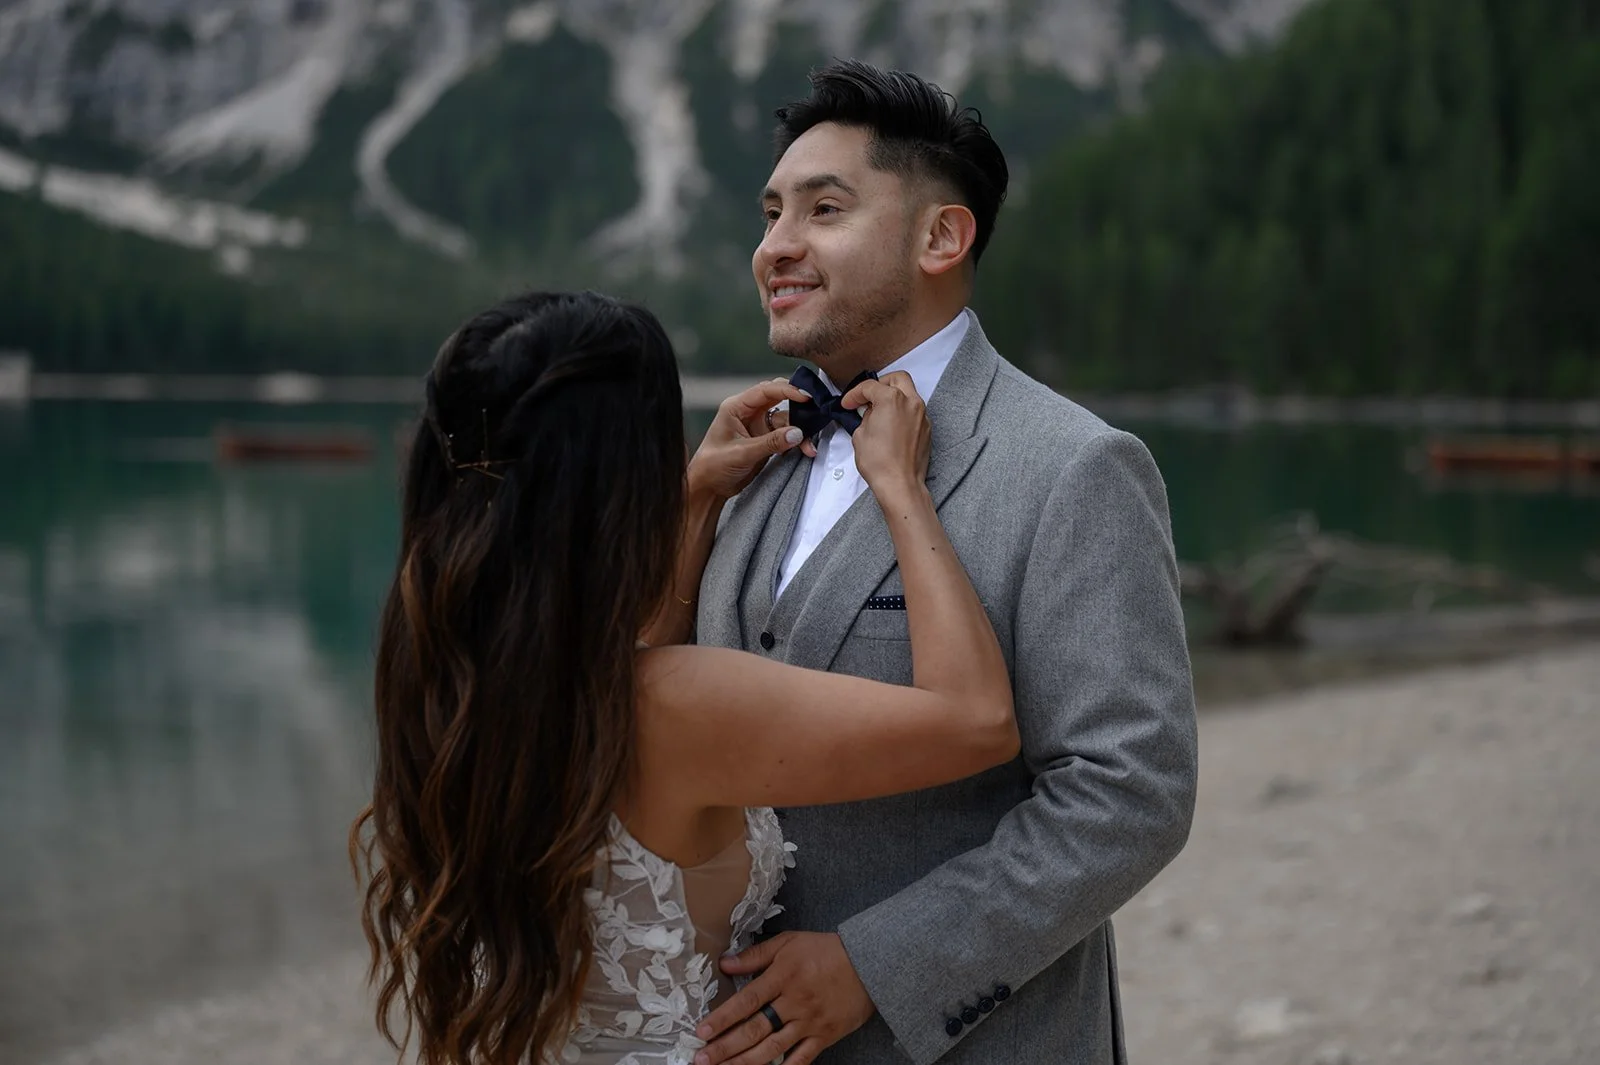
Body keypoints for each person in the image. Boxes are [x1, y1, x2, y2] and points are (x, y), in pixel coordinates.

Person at [349, 289, 1020, 1065]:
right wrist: (902, 489)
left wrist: (698, 500)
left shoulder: (446, 672)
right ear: (619, 489)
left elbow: (614, 683)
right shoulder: (680, 703)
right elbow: (975, 720)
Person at [689, 60, 1198, 1065]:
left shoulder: (1074, 466)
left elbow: (1129, 794)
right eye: (769, 213)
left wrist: (879, 965)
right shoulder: (752, 452)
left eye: (823, 210)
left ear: (940, 237)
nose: (775, 248)